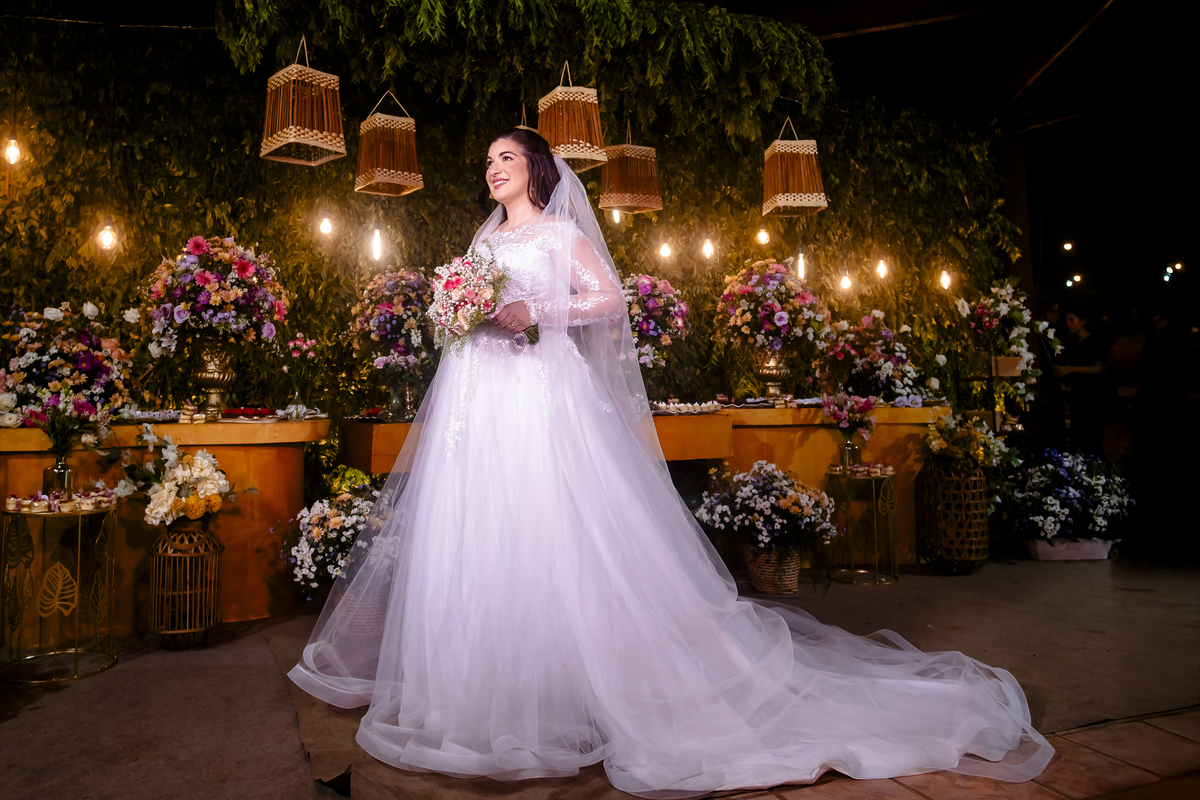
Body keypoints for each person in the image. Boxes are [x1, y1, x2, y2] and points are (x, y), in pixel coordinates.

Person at [289, 129, 1053, 797]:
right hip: (478, 399)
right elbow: (467, 306)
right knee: (482, 530)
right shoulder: (482, 243)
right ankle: (478, 691)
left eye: (508, 157)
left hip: (541, 395)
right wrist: (460, 309)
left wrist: (536, 310)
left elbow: (609, 300)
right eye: (489, 159)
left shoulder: (559, 238)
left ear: (537, 169)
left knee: (558, 526)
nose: (494, 168)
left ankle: (578, 686)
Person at [1054, 305, 1106, 457]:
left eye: (1072, 320)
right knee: (1078, 436)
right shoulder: (1073, 343)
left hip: (1091, 396)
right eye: (1067, 320)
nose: (1068, 323)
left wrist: (1070, 369)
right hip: (1078, 396)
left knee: (1089, 435)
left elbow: (1099, 368)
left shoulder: (1092, 342)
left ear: (1083, 321)